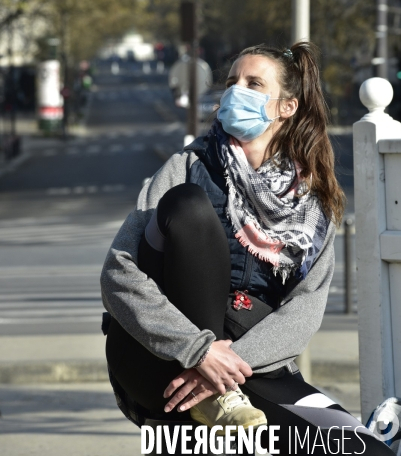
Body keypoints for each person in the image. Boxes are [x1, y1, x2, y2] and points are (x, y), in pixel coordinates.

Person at [101, 42, 393, 455]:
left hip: (245, 368)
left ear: (286, 107)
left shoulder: (314, 201)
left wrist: (221, 365)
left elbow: (303, 311)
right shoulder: (187, 167)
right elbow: (118, 273)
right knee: (188, 206)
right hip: (157, 359)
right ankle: (212, 397)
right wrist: (197, 350)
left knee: (365, 449)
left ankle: (216, 395)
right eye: (232, 81)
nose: (236, 89)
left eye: (253, 83)